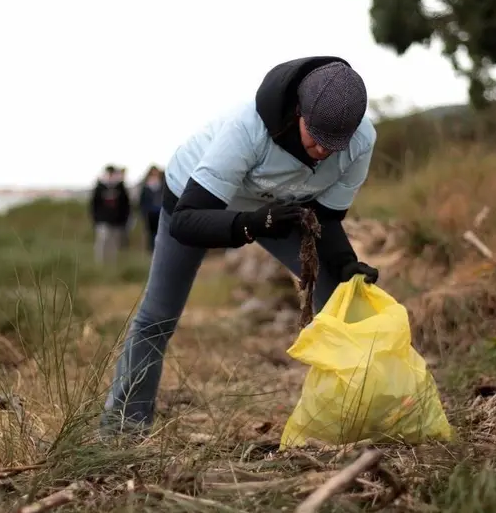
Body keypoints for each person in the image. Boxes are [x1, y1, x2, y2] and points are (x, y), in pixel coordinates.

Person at [101, 57, 381, 436]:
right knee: (158, 317)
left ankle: (349, 414)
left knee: (340, 292)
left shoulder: (360, 141)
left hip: (279, 205)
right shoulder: (248, 129)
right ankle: (122, 430)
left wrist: (347, 264)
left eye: (334, 145)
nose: (321, 151)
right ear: (298, 110)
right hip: (195, 202)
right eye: (314, 136)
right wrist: (253, 223)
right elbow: (186, 221)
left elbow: (325, 218)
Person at [90, 164, 131, 264]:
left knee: (114, 244)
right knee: (103, 241)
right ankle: (100, 263)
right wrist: (96, 220)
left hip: (117, 222)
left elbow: (126, 205)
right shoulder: (99, 187)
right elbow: (93, 205)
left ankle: (112, 264)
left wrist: (124, 220)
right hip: (102, 221)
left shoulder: (120, 187)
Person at [137, 165, 165, 252]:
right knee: (151, 233)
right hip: (150, 214)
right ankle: (152, 250)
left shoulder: (162, 185)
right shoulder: (145, 187)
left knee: (161, 232)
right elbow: (142, 201)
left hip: (160, 213)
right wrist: (144, 212)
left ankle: (159, 249)